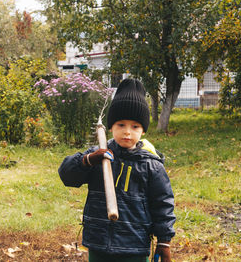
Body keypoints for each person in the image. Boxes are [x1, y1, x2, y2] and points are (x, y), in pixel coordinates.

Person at [58, 79, 176, 262]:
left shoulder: (151, 165)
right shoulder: (98, 155)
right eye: (121, 125)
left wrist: (164, 242)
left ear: (143, 130)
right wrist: (88, 160)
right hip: (99, 242)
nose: (127, 132)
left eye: (135, 126)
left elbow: (163, 204)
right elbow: (67, 175)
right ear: (111, 126)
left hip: (134, 246)